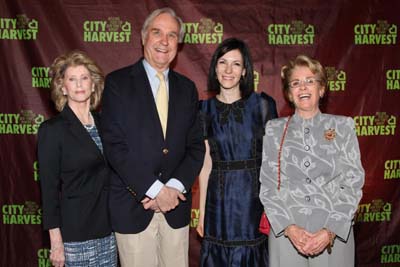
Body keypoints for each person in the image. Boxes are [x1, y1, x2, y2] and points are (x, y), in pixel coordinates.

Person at [101, 7, 205, 267]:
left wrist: (173, 189)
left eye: (172, 35)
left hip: (176, 208)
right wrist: (155, 190)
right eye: (157, 32)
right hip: (134, 206)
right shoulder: (117, 83)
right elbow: (115, 147)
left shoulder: (187, 89)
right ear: (143, 36)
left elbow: (195, 148)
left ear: (178, 44)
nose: (164, 41)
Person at [259, 54, 365, 267]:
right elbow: (268, 185)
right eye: (296, 83)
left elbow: (353, 182)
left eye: (310, 81)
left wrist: (330, 230)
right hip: (287, 235)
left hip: (333, 235)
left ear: (322, 89)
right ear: (289, 93)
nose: (303, 88)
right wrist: (290, 228)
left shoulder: (343, 127)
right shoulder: (274, 129)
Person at [196, 37, 278, 266]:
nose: (228, 70)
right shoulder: (204, 109)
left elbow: (274, 162)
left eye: (236, 64)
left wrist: (273, 208)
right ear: (215, 67)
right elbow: (205, 165)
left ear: (244, 71)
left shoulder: (263, 105)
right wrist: (201, 212)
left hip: (253, 200)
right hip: (218, 201)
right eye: (223, 62)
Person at [38, 50, 117, 267]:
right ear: (62, 87)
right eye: (72, 79)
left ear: (93, 84)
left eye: (84, 78)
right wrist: (56, 243)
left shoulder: (105, 124)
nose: (79, 84)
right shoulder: (52, 130)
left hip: (108, 231)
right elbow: (49, 190)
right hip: (75, 235)